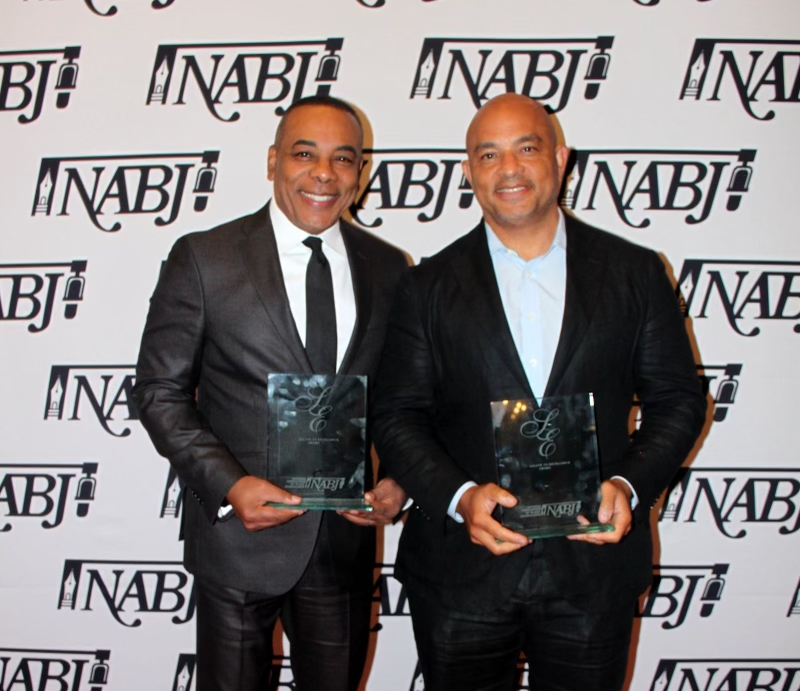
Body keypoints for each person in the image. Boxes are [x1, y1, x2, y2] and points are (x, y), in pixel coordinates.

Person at [372, 93, 706, 691]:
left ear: (559, 157)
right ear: (469, 170)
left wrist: (627, 485)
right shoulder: (425, 286)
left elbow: (678, 399)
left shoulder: (633, 272)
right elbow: (397, 414)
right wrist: (459, 496)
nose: (509, 169)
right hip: (461, 570)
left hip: (592, 566)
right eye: (488, 154)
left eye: (526, 148)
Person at [133, 95, 408, 691]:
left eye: (344, 159)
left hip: (343, 543)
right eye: (305, 153)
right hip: (238, 539)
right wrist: (229, 484)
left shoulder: (391, 269)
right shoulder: (206, 258)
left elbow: (400, 400)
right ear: (271, 161)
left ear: (361, 174)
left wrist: (399, 479)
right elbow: (159, 391)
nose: (324, 174)